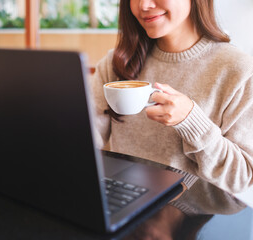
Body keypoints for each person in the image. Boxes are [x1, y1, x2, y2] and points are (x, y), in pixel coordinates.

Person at [90, 0, 253, 194]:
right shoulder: (116, 63)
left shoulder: (238, 71)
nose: (143, 5)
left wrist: (191, 121)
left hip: (194, 216)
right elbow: (85, 138)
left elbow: (242, 177)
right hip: (123, 202)